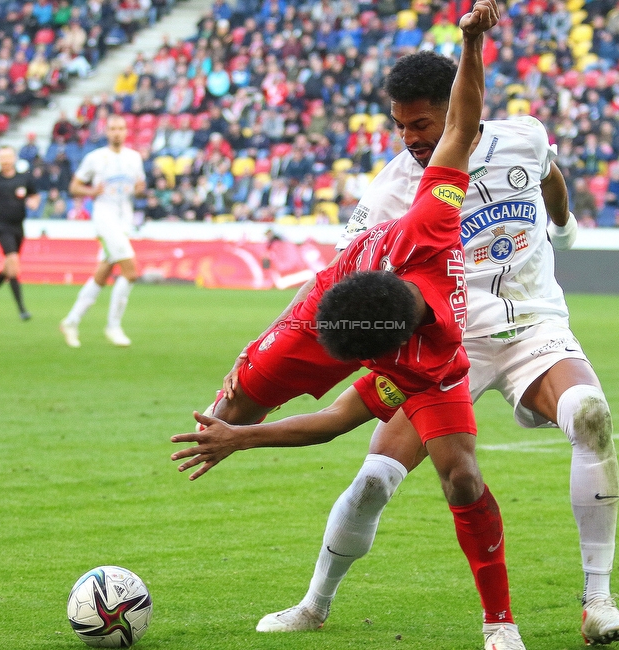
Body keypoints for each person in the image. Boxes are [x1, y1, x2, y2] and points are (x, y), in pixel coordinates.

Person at [219, 49, 619, 646]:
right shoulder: (395, 189)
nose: (412, 140)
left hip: (533, 328)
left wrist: (563, 224)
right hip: (444, 346)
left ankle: (598, 601)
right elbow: (344, 277)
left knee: (590, 415)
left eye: (423, 125)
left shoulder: (523, 138)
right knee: (375, 479)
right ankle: (314, 603)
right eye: (401, 126)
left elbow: (549, 172)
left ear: (458, 110)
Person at [173, 5, 525, 650]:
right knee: (224, 406)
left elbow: (332, 424)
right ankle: (222, 429)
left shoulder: (430, 364)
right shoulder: (433, 213)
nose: (411, 136)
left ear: (381, 355)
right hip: (321, 306)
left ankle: (500, 627)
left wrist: (246, 442)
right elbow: (462, 125)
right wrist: (474, 41)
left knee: (463, 478)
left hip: (395, 350)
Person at [59, 114, 146, 347]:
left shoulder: (134, 158)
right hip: (104, 218)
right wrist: (91, 192)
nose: (117, 132)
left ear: (126, 132)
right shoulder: (95, 158)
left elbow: (138, 189)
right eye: (113, 128)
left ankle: (71, 321)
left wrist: (140, 190)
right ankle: (113, 326)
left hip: (123, 219)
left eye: (121, 128)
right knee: (130, 272)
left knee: (102, 274)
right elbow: (74, 186)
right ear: (107, 132)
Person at [0, 146, 40, 320]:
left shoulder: (23, 179)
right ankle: (22, 309)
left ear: (14, 158)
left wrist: (33, 202)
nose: (5, 161)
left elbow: (35, 195)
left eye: (8, 157)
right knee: (13, 262)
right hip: (1, 226)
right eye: (2, 158)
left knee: (9, 267)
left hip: (18, 226)